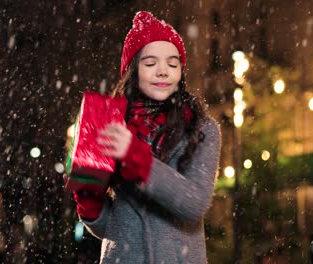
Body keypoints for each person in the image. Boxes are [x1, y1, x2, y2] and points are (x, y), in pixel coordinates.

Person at [67, 11, 221, 263]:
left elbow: (194, 204)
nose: (163, 72)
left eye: (173, 64)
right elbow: (115, 230)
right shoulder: (111, 125)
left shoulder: (203, 130)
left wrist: (134, 157)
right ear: (132, 70)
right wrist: (90, 205)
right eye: (150, 63)